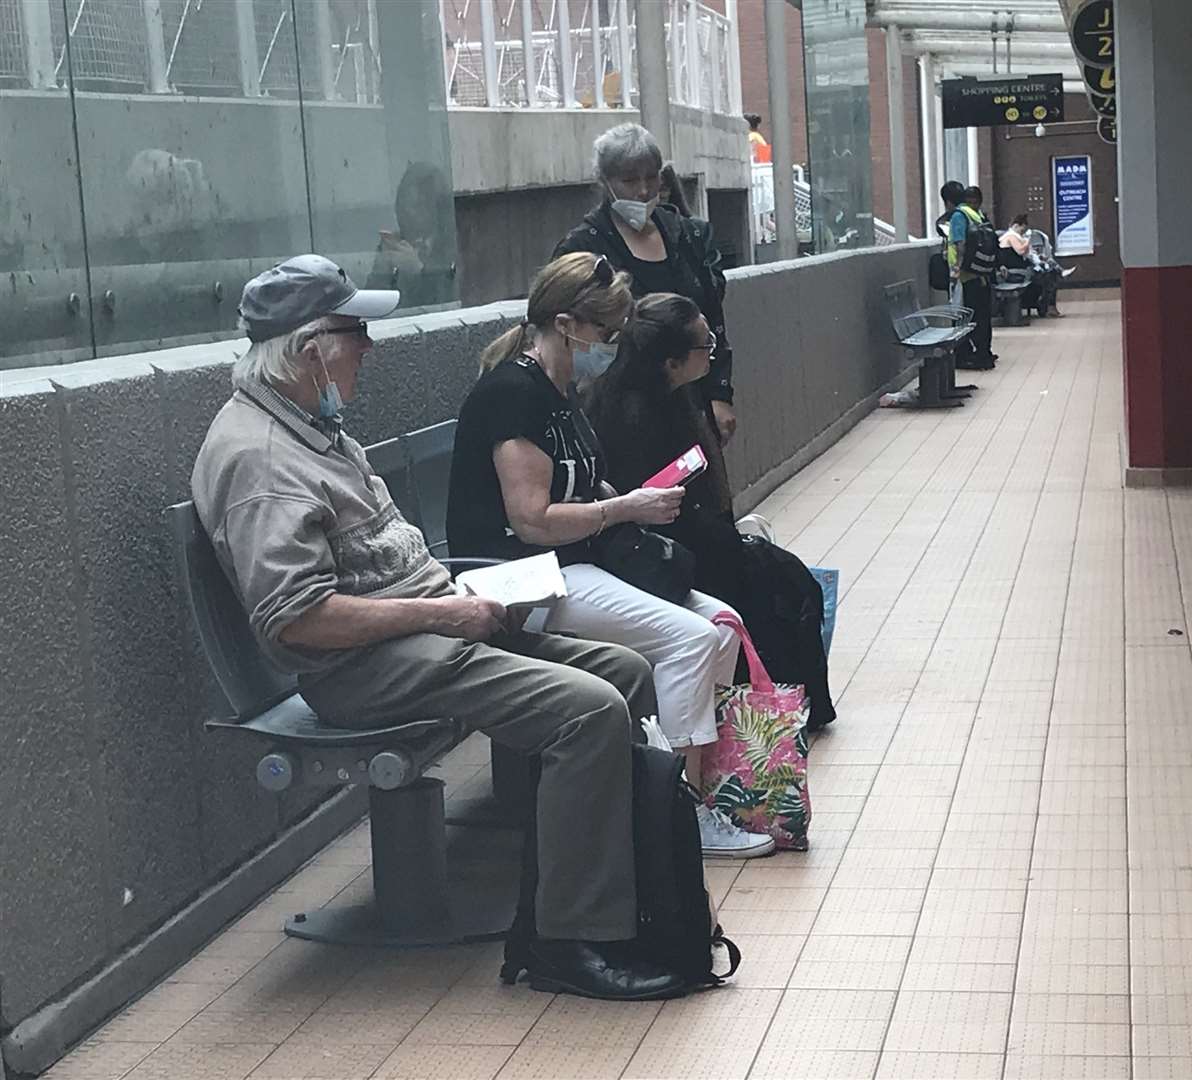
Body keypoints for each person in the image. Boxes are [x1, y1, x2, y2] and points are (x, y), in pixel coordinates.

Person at [192, 255, 683, 1001]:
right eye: (356, 331)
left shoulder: (309, 428)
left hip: (427, 630)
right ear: (308, 347)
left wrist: (473, 596)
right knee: (587, 712)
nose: (369, 347)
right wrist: (446, 611)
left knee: (622, 670)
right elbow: (298, 620)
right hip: (364, 667)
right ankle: (564, 940)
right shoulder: (260, 460)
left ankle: (580, 878)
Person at [445, 252, 776, 859]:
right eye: (607, 332)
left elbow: (581, 485)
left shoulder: (559, 390)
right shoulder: (512, 396)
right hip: (522, 581)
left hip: (574, 566)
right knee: (692, 640)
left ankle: (685, 785)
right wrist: (622, 510)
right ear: (568, 324)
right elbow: (532, 520)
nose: (614, 345)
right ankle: (677, 816)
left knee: (721, 626)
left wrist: (627, 501)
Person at [584, 293, 837, 729]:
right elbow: (655, 506)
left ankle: (793, 705)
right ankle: (768, 710)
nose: (713, 353)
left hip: (686, 532)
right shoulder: (627, 415)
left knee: (791, 578)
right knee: (776, 586)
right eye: (705, 347)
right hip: (651, 550)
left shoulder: (673, 394)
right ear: (671, 362)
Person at [554, 123, 737, 450]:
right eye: (629, 180)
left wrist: (719, 393)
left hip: (689, 399)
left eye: (651, 178)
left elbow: (712, 320)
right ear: (606, 183)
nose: (642, 191)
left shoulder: (688, 236)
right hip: (616, 410)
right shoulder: (582, 247)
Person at [366, 161, 456, 306]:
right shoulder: (393, 244)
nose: (405, 212)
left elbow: (449, 302)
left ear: (436, 209)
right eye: (401, 203)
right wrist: (381, 272)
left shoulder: (453, 244)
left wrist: (418, 272)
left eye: (416, 206)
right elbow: (371, 306)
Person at [939, 180, 995, 370]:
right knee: (982, 317)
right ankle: (984, 354)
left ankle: (968, 357)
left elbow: (959, 244)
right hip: (983, 273)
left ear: (947, 201)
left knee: (966, 318)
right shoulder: (976, 213)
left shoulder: (958, 216)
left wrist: (956, 270)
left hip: (966, 275)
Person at [1002, 213, 1062, 318]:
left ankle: (1047, 305)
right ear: (1016, 226)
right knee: (1049, 276)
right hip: (1017, 270)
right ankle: (1047, 306)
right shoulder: (1011, 236)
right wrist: (1027, 241)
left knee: (1050, 274)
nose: (1022, 233)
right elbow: (1020, 251)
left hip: (1020, 268)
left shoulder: (1013, 236)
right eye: (1022, 230)